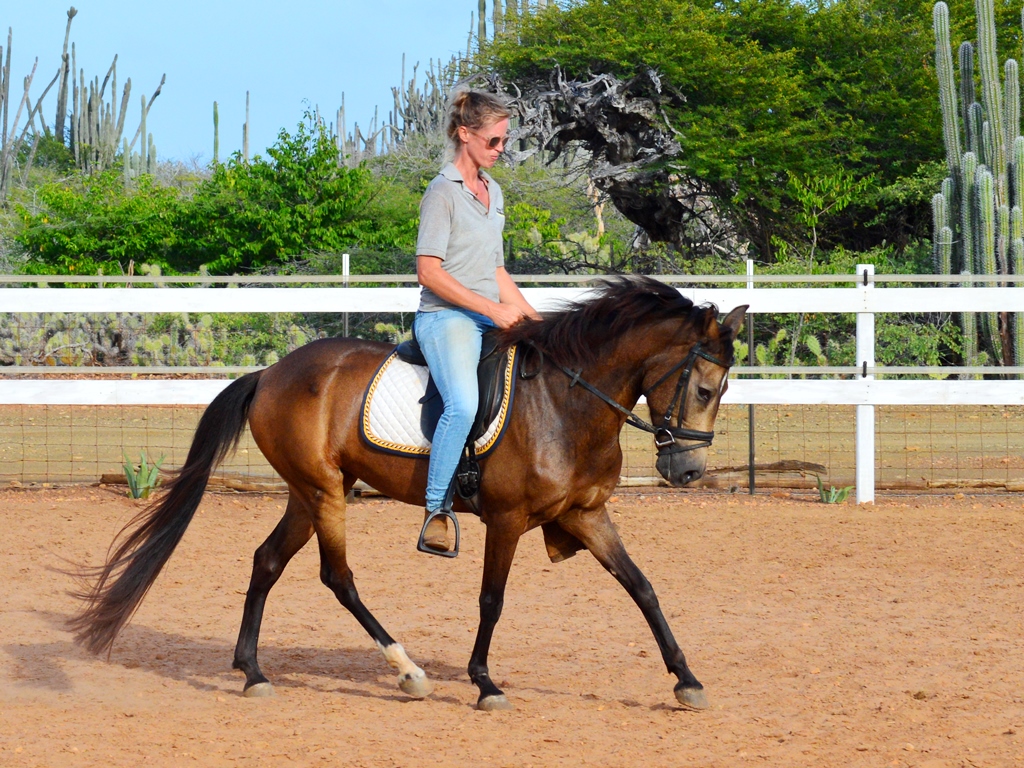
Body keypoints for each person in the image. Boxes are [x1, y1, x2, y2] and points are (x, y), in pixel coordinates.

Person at [414, 89, 540, 554]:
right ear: (465, 134)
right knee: (463, 405)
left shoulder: (495, 192)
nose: (500, 148)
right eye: (493, 140)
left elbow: (496, 271)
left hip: (490, 316)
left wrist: (534, 320)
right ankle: (437, 511)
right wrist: (492, 311)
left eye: (504, 140)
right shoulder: (441, 193)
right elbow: (429, 271)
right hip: (446, 318)